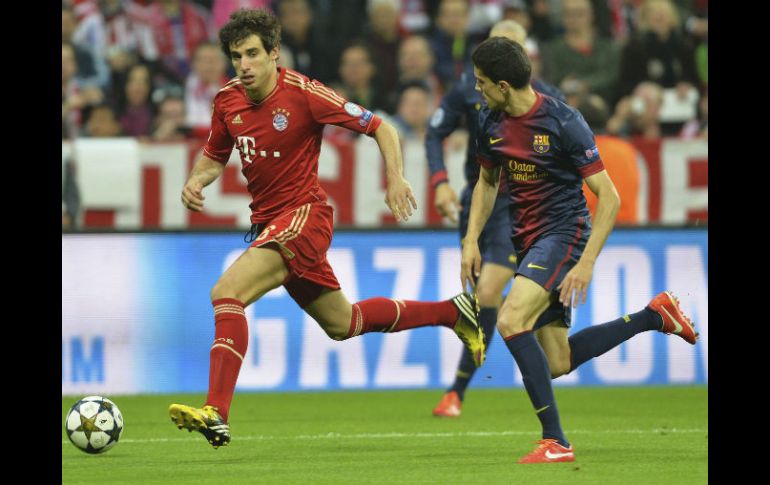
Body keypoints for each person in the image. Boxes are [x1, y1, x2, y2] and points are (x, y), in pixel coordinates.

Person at [167, 8, 485, 449]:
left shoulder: (305, 93)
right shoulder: (227, 100)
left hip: (304, 217)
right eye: (237, 56)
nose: (244, 65)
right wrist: (196, 180)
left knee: (227, 292)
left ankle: (216, 412)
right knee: (343, 322)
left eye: (253, 53)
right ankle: (453, 312)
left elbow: (381, 127)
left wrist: (395, 178)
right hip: (270, 225)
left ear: (274, 53)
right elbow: (215, 155)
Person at [466, 36, 698, 463]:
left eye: (481, 82)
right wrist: (470, 240)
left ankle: (555, 441)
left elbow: (608, 197)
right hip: (527, 241)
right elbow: (487, 182)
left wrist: (586, 262)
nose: (477, 89)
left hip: (564, 234)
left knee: (512, 318)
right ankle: (654, 315)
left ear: (503, 85)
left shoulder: (563, 122)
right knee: (557, 361)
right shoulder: (489, 121)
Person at [428, 19, 563, 418]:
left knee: (487, 293)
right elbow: (435, 133)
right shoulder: (470, 91)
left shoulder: (548, 101)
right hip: (478, 202)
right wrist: (440, 182)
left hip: (519, 206)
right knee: (481, 297)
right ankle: (528, 308)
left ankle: (457, 391)